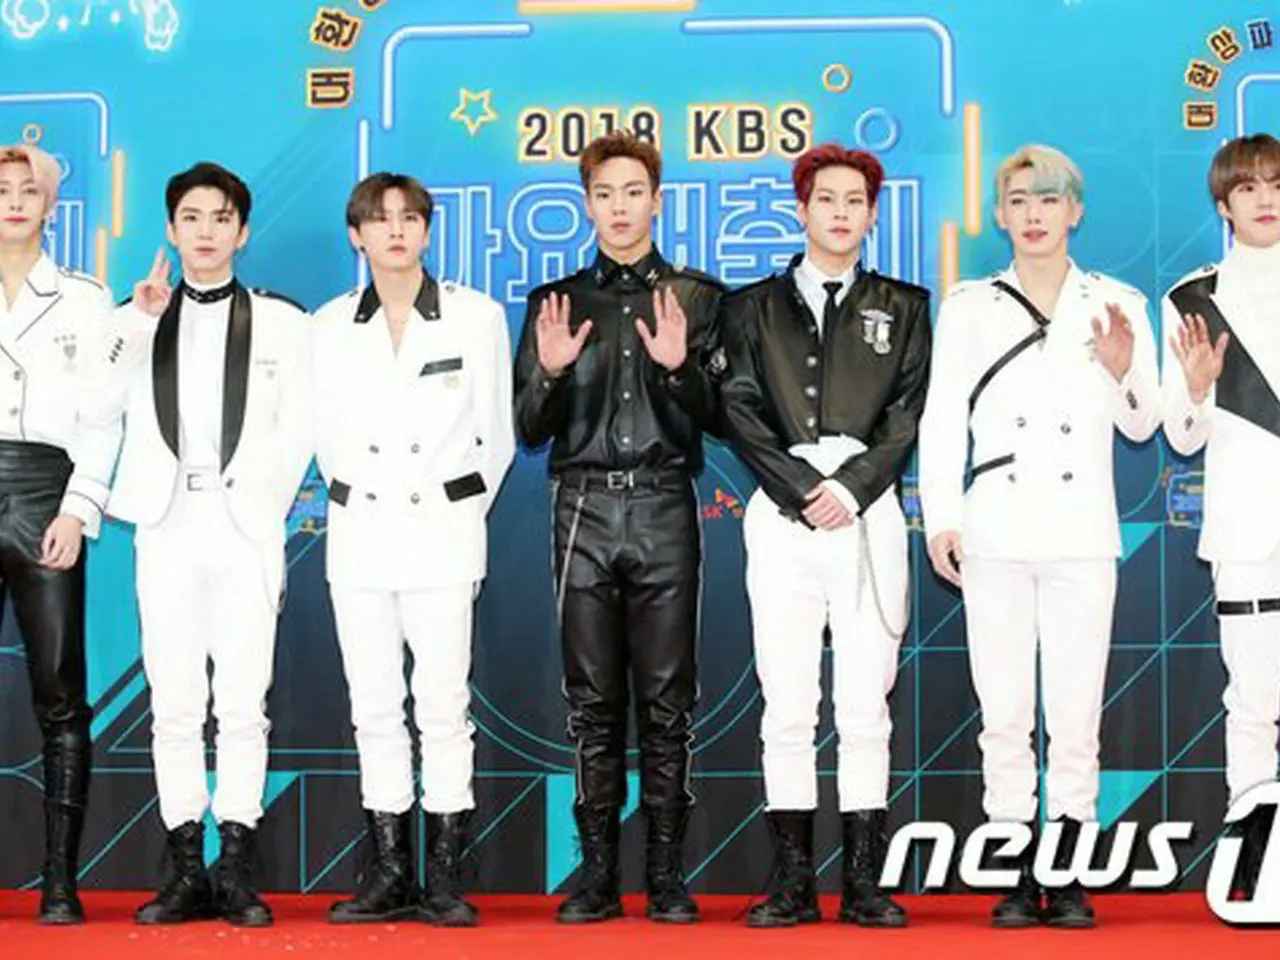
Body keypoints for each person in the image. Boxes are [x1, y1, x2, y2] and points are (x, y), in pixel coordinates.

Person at [918, 145, 1160, 927]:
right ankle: (1018, 866)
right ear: (999, 213)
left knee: (1076, 714)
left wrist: (1123, 370)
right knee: (1006, 713)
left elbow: (1145, 423)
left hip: (1082, 531)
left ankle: (1072, 866)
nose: (1034, 215)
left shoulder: (1116, 303)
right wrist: (941, 516)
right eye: (1019, 200)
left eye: (1049, 200)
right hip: (994, 527)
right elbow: (941, 417)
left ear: (1074, 211)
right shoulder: (969, 306)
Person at [91, 162, 313, 927]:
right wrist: (136, 323)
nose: (207, 231)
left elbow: (301, 427)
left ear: (242, 231)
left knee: (244, 704)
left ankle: (237, 866)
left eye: (221, 218)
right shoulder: (137, 313)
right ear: (171, 229)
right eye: (192, 217)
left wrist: (263, 504)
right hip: (165, 525)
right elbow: (95, 405)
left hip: (246, 525)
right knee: (176, 704)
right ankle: (186, 868)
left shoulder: (283, 322)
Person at [513, 131, 725, 924]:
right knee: (593, 705)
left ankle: (666, 875)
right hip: (583, 510)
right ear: (587, 204)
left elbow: (722, 418)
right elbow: (527, 428)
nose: (620, 208)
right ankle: (598, 876)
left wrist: (679, 367)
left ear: (656, 200)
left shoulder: (698, 299)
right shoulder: (555, 303)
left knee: (667, 703)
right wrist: (551, 371)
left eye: (634, 192)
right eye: (605, 194)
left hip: (666, 504)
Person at [719, 143, 931, 929]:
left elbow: (908, 413)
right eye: (827, 200)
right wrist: (803, 488)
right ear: (801, 208)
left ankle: (865, 884)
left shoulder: (905, 306)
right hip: (782, 518)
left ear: (873, 215)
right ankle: (793, 884)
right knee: (786, 702)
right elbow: (739, 407)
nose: (841, 214)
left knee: (866, 702)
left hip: (869, 518)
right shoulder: (750, 308)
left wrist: (850, 487)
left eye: (855, 202)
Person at [311, 172, 514, 926]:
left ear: (427, 230)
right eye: (379, 219)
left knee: (443, 705)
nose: (395, 231)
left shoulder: (475, 316)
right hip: (360, 533)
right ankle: (389, 871)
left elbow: (496, 437)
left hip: (442, 533)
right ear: (356, 235)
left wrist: (454, 510)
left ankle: (446, 876)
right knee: (373, 706)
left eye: (408, 218)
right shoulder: (329, 323)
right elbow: (319, 430)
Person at [0, 142, 119, 924]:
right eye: (1, 190)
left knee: (61, 696)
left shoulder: (84, 297)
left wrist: (78, 508)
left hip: (47, 495)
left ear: (50, 205)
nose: (14, 201)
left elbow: (105, 416)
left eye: (27, 190)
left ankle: (59, 881)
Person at [1161, 134, 1280, 901]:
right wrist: (1199, 387)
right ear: (1224, 205)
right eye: (1249, 188)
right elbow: (1179, 435)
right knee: (1255, 701)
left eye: (1277, 185)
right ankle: (1257, 867)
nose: (1266, 199)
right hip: (1247, 528)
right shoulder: (1190, 299)